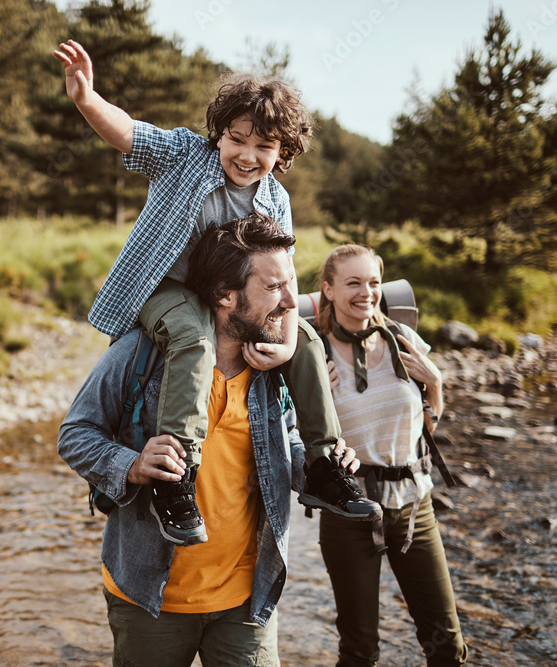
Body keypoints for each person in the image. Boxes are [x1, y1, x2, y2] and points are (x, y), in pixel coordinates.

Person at [53, 40, 379, 546]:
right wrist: (86, 99)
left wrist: (290, 341)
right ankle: (178, 474)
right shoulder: (185, 156)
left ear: (283, 152)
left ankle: (323, 464)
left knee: (311, 343)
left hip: (236, 294)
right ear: (219, 133)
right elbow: (129, 134)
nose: (247, 156)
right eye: (237, 139)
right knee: (194, 335)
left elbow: (284, 274)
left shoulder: (276, 198)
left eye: (264, 147)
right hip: (168, 288)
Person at [58, 214, 361, 666]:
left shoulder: (273, 366)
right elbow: (75, 434)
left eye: (291, 283)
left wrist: (320, 464)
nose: (291, 301)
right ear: (225, 295)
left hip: (245, 599)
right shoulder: (140, 354)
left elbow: (284, 443)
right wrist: (132, 464)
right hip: (149, 598)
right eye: (273, 287)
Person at [314, 244, 468, 666]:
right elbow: (304, 445)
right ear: (328, 289)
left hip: (415, 509)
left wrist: (435, 384)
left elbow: (425, 428)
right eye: (353, 283)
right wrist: (318, 401)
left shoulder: (403, 340)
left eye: (374, 283)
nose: (367, 292)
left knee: (447, 646)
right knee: (360, 650)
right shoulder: (315, 357)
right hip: (350, 513)